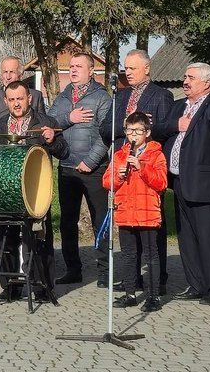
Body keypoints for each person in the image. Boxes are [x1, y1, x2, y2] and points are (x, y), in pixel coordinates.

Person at [0, 80, 67, 298]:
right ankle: (10, 287)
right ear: (5, 101)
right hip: (5, 191)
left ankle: (42, 288)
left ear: (29, 98)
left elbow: (64, 152)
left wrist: (51, 140)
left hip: (36, 188)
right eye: (11, 100)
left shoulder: (46, 122)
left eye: (20, 99)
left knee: (38, 239)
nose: (16, 104)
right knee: (4, 239)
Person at [161, 62, 210, 305]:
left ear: (207, 83)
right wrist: (175, 125)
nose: (185, 81)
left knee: (208, 237)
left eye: (191, 77)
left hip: (205, 184)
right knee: (186, 237)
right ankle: (195, 284)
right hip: (179, 181)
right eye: (184, 76)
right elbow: (158, 130)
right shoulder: (178, 107)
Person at [101, 49, 175, 293]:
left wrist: (147, 129)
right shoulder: (121, 96)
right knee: (129, 231)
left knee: (151, 229)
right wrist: (130, 127)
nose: (128, 72)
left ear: (147, 69)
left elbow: (164, 130)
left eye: (132, 68)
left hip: (147, 168)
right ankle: (131, 280)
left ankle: (158, 280)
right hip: (123, 168)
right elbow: (105, 128)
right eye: (126, 67)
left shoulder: (161, 95)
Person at [47, 52, 112, 286]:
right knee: (67, 222)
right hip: (66, 167)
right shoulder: (62, 98)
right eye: (71, 66)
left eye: (78, 66)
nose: (73, 70)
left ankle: (105, 272)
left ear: (91, 70)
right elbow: (50, 124)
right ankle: (73, 269)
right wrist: (69, 117)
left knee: (100, 220)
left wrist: (91, 161)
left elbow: (107, 135)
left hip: (93, 169)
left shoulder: (102, 98)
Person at [104, 111, 169, 312]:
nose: (133, 135)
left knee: (151, 255)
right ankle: (130, 293)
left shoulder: (156, 154)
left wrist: (141, 167)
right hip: (125, 211)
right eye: (130, 131)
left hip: (147, 212)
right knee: (129, 255)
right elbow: (107, 182)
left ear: (147, 132)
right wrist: (120, 176)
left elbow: (161, 183)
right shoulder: (119, 155)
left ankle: (153, 297)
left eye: (138, 131)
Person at [0, 55, 45, 131]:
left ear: (21, 74)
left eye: (12, 72)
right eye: (5, 72)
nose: (8, 77)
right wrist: (12, 110)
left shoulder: (36, 95)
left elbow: (43, 124)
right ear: (1, 75)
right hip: (1, 140)